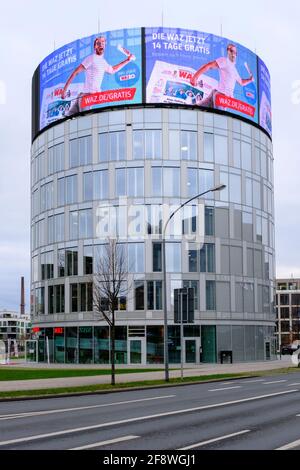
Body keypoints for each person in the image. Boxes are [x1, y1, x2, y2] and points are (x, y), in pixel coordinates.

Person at [61, 36, 135, 115]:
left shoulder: (103, 62)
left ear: (105, 46)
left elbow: (113, 70)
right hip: (86, 97)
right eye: (98, 43)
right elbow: (75, 72)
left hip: (83, 96)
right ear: (94, 47)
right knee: (85, 121)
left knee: (69, 120)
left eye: (103, 43)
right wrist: (64, 91)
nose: (101, 45)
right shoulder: (91, 58)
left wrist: (128, 60)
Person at [190, 43, 254, 108]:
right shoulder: (225, 61)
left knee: (197, 108)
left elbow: (241, 82)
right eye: (232, 51)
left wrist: (250, 79)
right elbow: (209, 66)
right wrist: (195, 77)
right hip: (222, 96)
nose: (234, 54)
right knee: (218, 117)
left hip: (217, 93)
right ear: (228, 51)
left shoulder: (234, 69)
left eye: (235, 53)